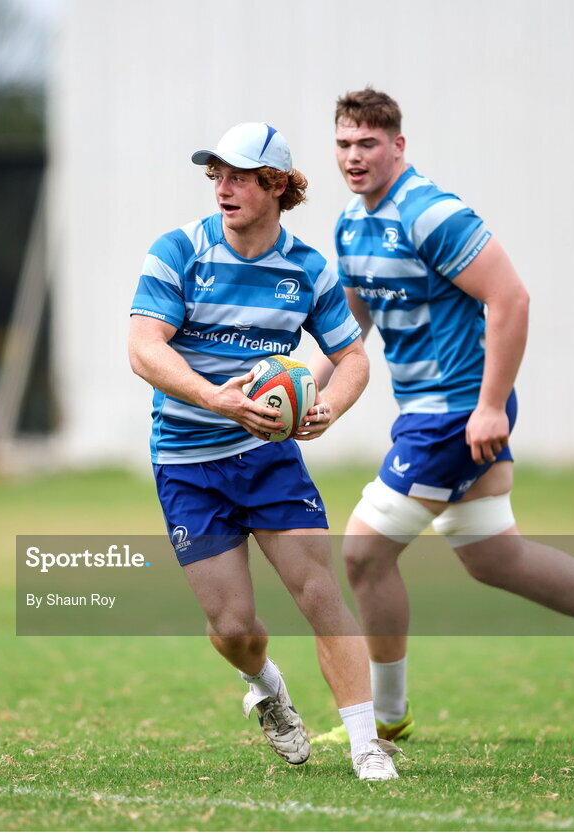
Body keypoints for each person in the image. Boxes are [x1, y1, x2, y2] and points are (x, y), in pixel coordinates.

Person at [128, 122, 400, 780]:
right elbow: (143, 347)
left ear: (275, 185)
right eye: (215, 174)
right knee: (232, 627)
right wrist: (215, 398)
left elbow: (353, 358)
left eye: (239, 176)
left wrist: (329, 406)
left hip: (269, 457)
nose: (222, 187)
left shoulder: (306, 269)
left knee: (318, 591)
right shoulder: (178, 252)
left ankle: (365, 742)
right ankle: (268, 687)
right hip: (189, 463)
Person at [311, 87, 574, 744]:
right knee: (495, 557)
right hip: (431, 413)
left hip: (455, 412)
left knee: (364, 554)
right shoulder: (350, 223)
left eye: (368, 143)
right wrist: (308, 394)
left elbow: (510, 299)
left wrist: (490, 406)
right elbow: (353, 328)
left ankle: (385, 714)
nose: (354, 155)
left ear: (398, 145)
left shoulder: (431, 213)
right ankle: (385, 712)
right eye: (344, 143)